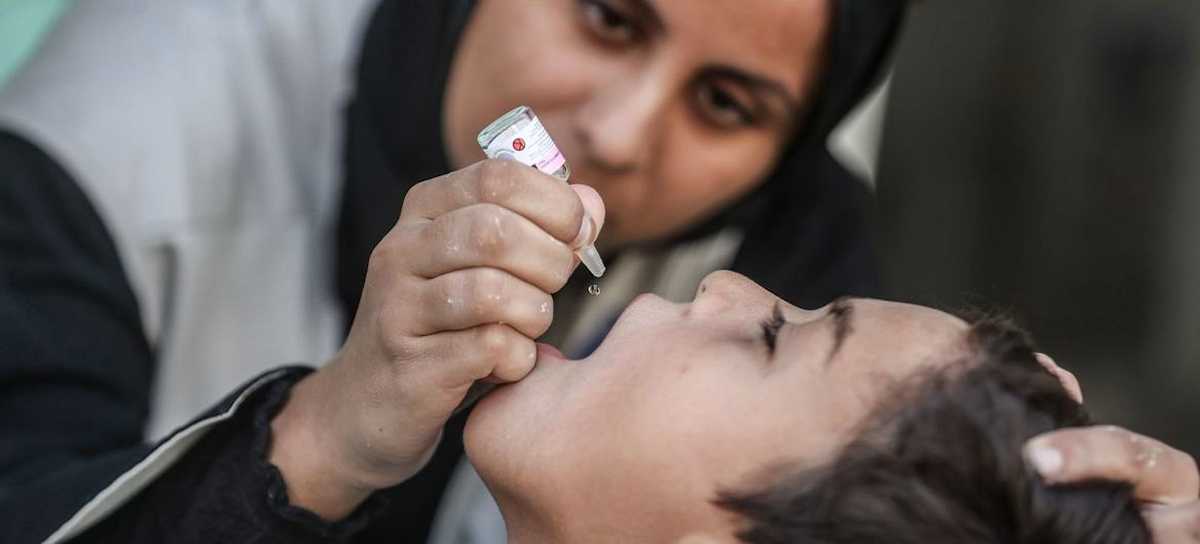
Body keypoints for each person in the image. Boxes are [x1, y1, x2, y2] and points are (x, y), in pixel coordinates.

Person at [0, 1, 1195, 542]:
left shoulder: (785, 228)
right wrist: (315, 441)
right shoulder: (109, 140)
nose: (620, 133)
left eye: (728, 103)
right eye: (610, 19)